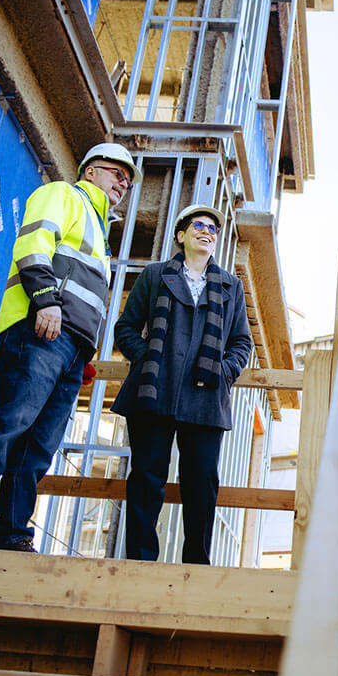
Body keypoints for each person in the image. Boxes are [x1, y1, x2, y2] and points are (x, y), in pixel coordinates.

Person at [0, 143, 140, 551]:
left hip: (69, 346)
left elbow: (85, 295)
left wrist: (86, 352)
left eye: (128, 181)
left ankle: (11, 535)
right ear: (91, 170)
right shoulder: (64, 195)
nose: (123, 184)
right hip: (39, 329)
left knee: (38, 448)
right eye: (118, 173)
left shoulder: (100, 230)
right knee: (9, 425)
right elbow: (32, 246)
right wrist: (44, 299)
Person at [110, 204, 253, 564]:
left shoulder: (230, 286)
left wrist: (223, 371)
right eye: (199, 226)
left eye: (213, 229)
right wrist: (147, 359)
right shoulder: (156, 275)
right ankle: (141, 563)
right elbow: (125, 328)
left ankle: (197, 567)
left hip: (205, 399)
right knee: (146, 477)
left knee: (201, 482)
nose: (207, 232)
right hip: (153, 393)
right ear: (181, 235)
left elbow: (241, 342)